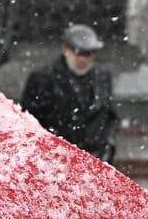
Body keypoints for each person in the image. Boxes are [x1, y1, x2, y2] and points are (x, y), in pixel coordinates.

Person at [19, 24, 118, 163]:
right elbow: (30, 120)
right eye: (79, 53)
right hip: (55, 159)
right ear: (66, 50)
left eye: (88, 54)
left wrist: (107, 149)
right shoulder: (42, 78)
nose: (83, 59)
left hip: (95, 160)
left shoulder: (103, 78)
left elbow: (108, 116)